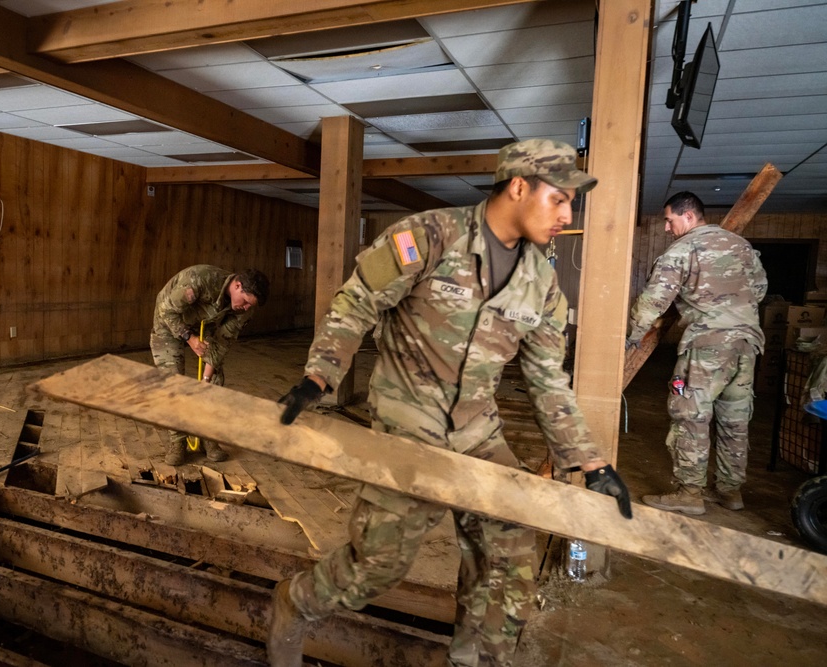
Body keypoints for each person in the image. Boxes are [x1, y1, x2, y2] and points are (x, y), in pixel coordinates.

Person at [268, 139, 632, 667]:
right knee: (376, 569)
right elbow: (358, 301)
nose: (566, 214)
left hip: (477, 433)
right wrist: (321, 375)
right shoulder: (430, 237)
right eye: (559, 199)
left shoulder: (543, 283)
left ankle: (476, 660)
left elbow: (547, 379)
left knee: (509, 555)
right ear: (518, 187)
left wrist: (590, 461)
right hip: (406, 426)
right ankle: (295, 604)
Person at [629, 192, 766, 515]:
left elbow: (654, 299)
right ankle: (731, 491)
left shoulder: (682, 250)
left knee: (690, 415)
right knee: (734, 420)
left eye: (669, 220)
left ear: (688, 217)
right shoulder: (741, 246)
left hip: (707, 346)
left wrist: (633, 335)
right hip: (746, 344)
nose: (666, 227)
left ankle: (690, 492)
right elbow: (759, 288)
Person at [150, 265, 269, 465]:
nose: (247, 308)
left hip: (206, 331)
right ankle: (178, 442)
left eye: (251, 306)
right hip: (169, 327)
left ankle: (208, 439)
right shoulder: (200, 280)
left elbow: (221, 344)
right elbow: (166, 312)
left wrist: (205, 380)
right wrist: (189, 338)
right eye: (246, 302)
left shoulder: (244, 310)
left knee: (214, 382)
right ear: (238, 285)